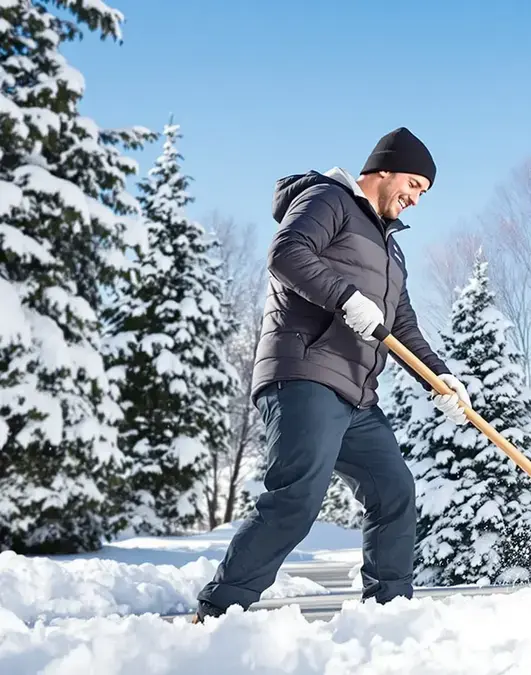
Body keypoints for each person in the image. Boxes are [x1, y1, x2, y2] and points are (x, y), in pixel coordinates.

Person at [192, 127, 471, 623]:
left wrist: (441, 378)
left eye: (422, 193)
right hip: (305, 373)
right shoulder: (328, 198)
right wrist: (346, 298)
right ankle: (219, 611)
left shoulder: (390, 249)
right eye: (413, 184)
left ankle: (389, 614)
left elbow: (402, 326)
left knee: (394, 492)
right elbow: (286, 253)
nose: (414, 199)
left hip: (357, 395)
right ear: (383, 169)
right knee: (296, 495)